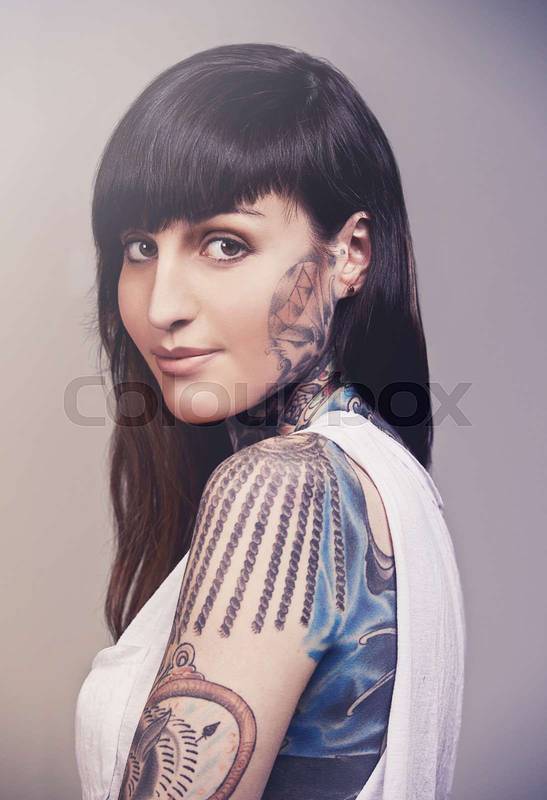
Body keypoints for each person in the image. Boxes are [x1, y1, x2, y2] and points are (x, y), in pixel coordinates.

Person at [74, 43, 465, 800]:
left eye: (225, 244)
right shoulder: (388, 476)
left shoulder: (280, 487)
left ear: (349, 255)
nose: (160, 306)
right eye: (140, 247)